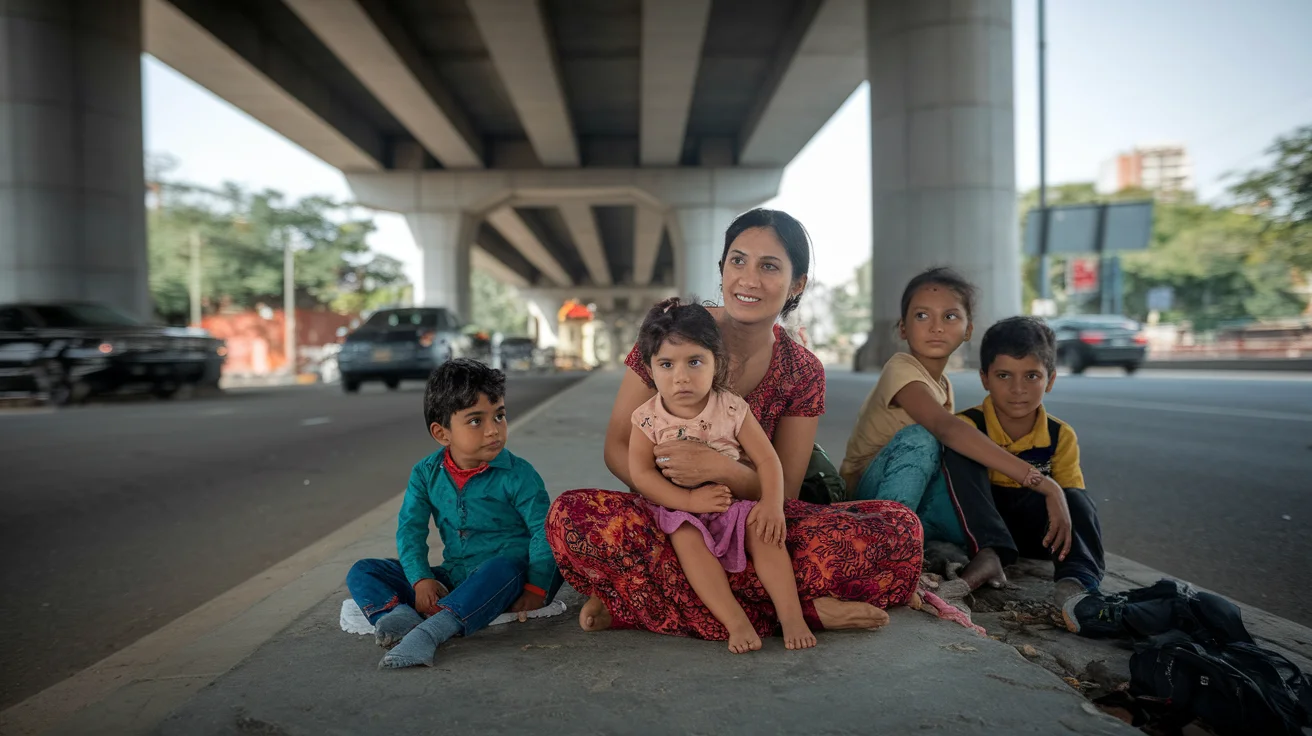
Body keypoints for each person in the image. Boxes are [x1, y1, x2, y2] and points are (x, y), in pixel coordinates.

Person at [547, 208, 921, 643]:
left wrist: (720, 471)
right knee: (569, 517)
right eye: (738, 261)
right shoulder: (674, 336)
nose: (749, 279)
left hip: (753, 523)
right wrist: (679, 497)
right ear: (722, 268)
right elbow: (617, 447)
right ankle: (794, 611)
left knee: (900, 530)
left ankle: (641, 599)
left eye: (769, 266)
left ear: (797, 284)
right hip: (666, 520)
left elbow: (787, 490)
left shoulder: (802, 369)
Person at [839, 268, 1073, 606]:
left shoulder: (944, 386)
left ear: (968, 330)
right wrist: (1041, 482)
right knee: (930, 436)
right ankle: (887, 554)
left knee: (969, 457)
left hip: (917, 504)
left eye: (950, 316)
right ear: (903, 329)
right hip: (869, 503)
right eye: (922, 316)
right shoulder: (901, 368)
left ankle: (984, 558)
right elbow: (946, 429)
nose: (936, 326)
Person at [628, 298, 815, 653]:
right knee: (685, 537)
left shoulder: (730, 407)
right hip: (677, 510)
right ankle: (735, 620)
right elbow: (641, 474)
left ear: (716, 363)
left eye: (694, 362)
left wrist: (772, 505)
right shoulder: (647, 418)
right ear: (649, 369)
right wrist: (687, 501)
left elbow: (768, 461)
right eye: (666, 364)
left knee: (765, 533)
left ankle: (791, 616)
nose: (680, 376)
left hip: (735, 505)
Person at [344, 359, 557, 669]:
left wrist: (537, 588)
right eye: (476, 421)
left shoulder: (518, 474)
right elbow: (410, 530)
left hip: (506, 579)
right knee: (364, 570)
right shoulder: (426, 473)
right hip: (455, 576)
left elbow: (544, 530)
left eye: (499, 415)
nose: (493, 430)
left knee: (502, 568)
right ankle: (394, 616)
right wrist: (421, 581)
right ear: (442, 433)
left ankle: (432, 632)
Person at [945, 316, 1106, 614]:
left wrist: (1062, 498)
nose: (1018, 388)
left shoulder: (1060, 435)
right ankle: (989, 554)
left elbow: (1071, 502)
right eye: (1004, 376)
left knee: (1077, 499)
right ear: (984, 378)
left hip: (1038, 536)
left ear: (1051, 379)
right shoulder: (969, 426)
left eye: (1031, 376)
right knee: (958, 455)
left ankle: (1078, 585)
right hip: (978, 531)